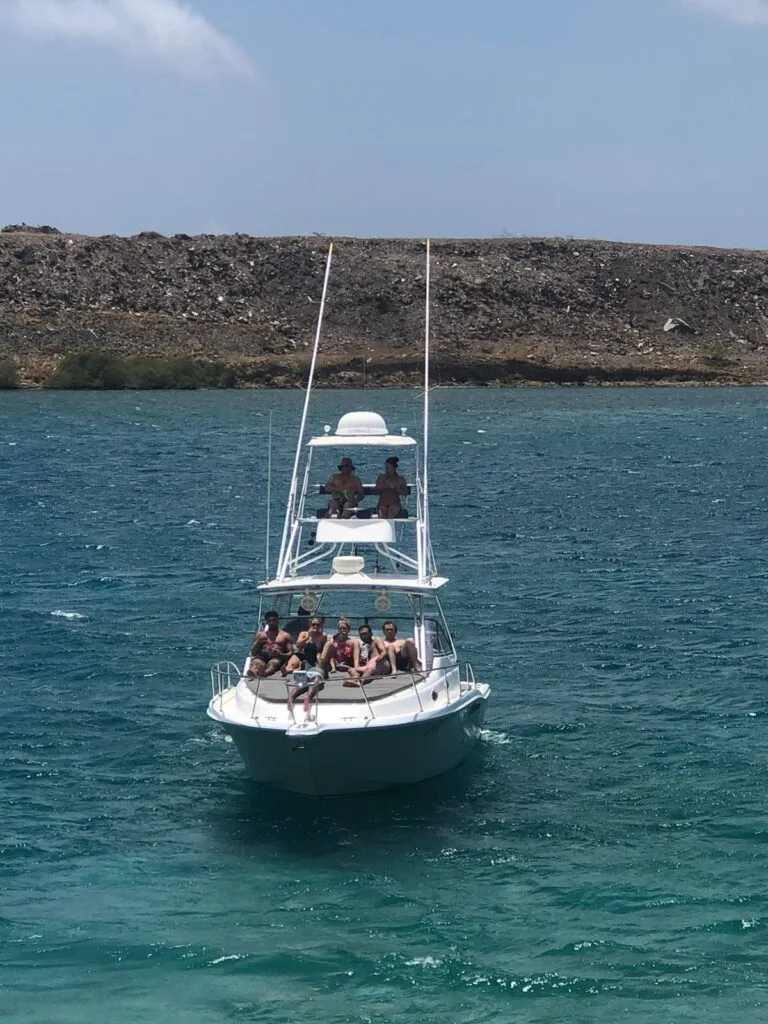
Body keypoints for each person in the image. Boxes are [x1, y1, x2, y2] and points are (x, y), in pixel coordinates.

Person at [246, 610, 294, 678]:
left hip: (277, 657)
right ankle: (254, 672)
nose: (272, 622)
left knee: (273, 663)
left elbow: (291, 652)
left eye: (274, 620)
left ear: (278, 621)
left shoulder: (285, 635)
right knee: (257, 662)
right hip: (262, 656)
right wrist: (258, 642)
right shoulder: (260, 635)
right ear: (267, 622)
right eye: (269, 620)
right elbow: (253, 653)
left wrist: (280, 654)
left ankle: (264, 673)